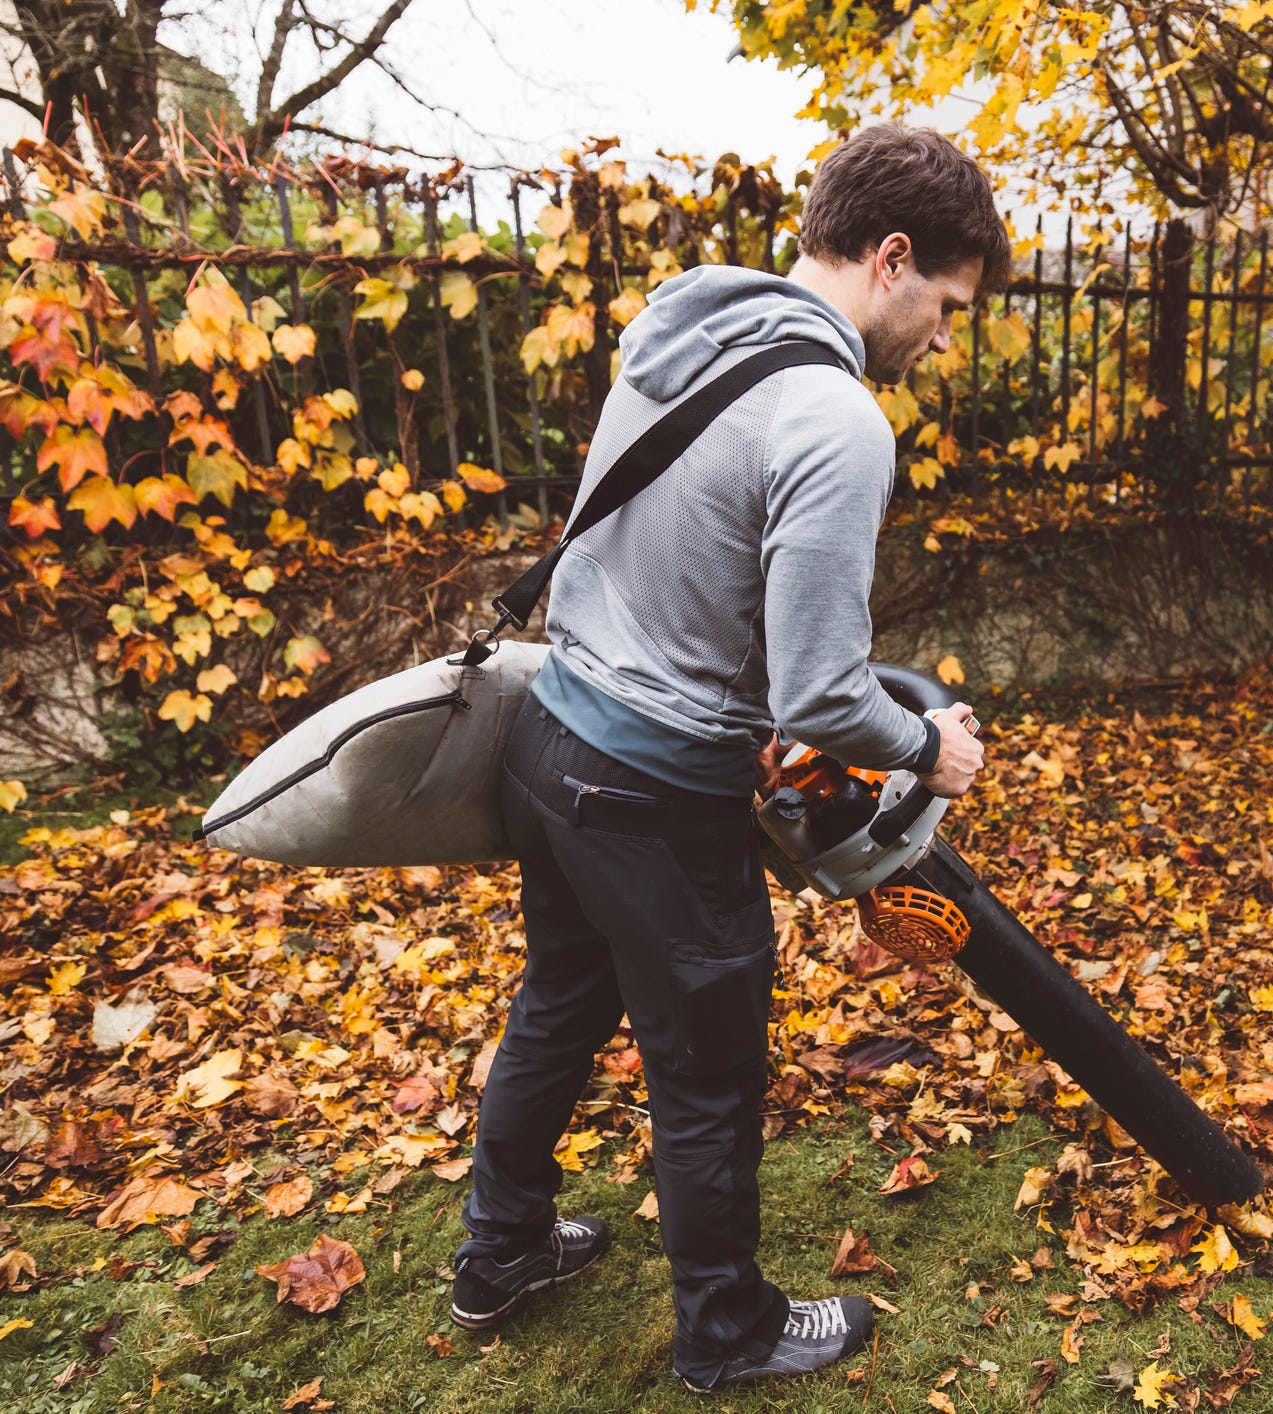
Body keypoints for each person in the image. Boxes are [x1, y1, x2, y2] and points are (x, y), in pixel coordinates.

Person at [448, 124, 1008, 1393]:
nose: (940, 336)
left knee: (558, 1007)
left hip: (552, 736)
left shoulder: (685, 333)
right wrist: (930, 745)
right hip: (652, 795)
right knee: (704, 1069)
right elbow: (824, 691)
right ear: (892, 257)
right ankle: (728, 1332)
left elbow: (669, 563)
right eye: (946, 305)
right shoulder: (835, 417)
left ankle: (502, 1251)